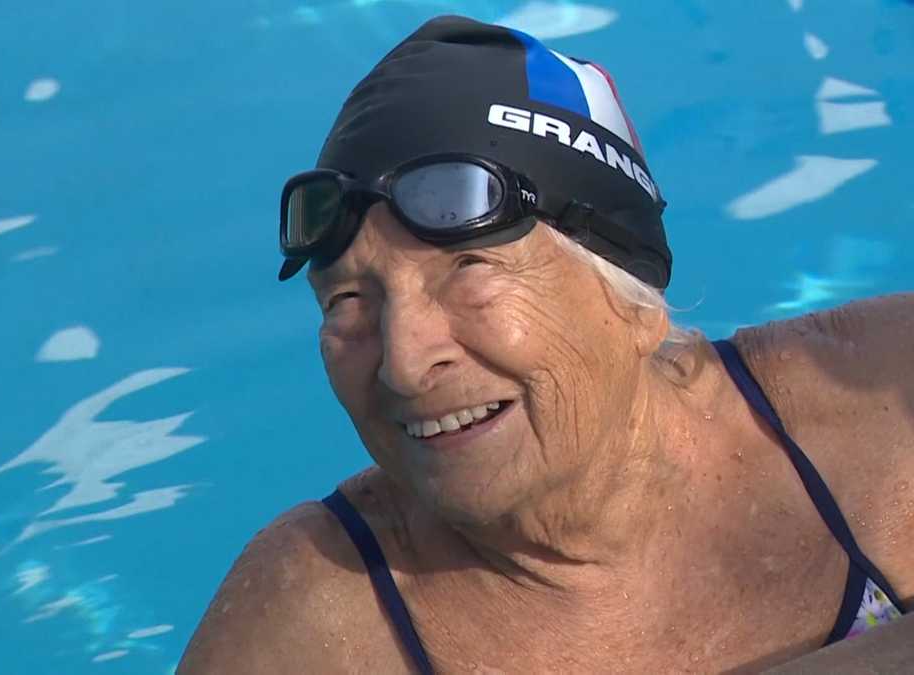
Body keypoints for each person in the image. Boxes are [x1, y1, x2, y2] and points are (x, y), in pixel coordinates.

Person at [180, 15, 912, 673]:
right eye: (347, 300)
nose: (404, 364)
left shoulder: (881, 408)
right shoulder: (311, 627)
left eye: (469, 270)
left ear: (633, 303)